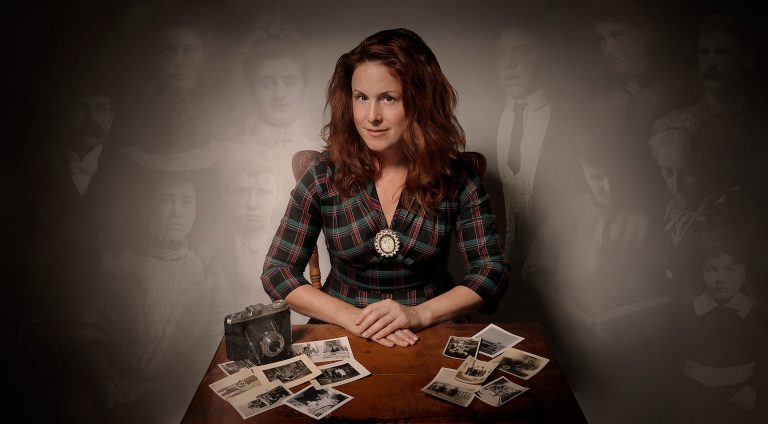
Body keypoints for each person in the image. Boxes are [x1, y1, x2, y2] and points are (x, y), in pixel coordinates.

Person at [261, 28, 508, 348]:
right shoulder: (323, 175)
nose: (371, 116)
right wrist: (350, 316)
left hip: (430, 325)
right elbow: (277, 271)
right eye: (361, 97)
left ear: (420, 103)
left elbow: (491, 271)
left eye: (388, 98)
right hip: (341, 325)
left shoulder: (457, 177)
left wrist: (418, 314)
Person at [672, 227, 768, 423]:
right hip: (693, 398)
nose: (720, 279)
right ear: (701, 272)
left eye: (730, 270)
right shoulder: (686, 314)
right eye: (711, 269)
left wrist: (754, 388)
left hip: (739, 399)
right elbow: (672, 355)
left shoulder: (757, 318)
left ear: (745, 275)